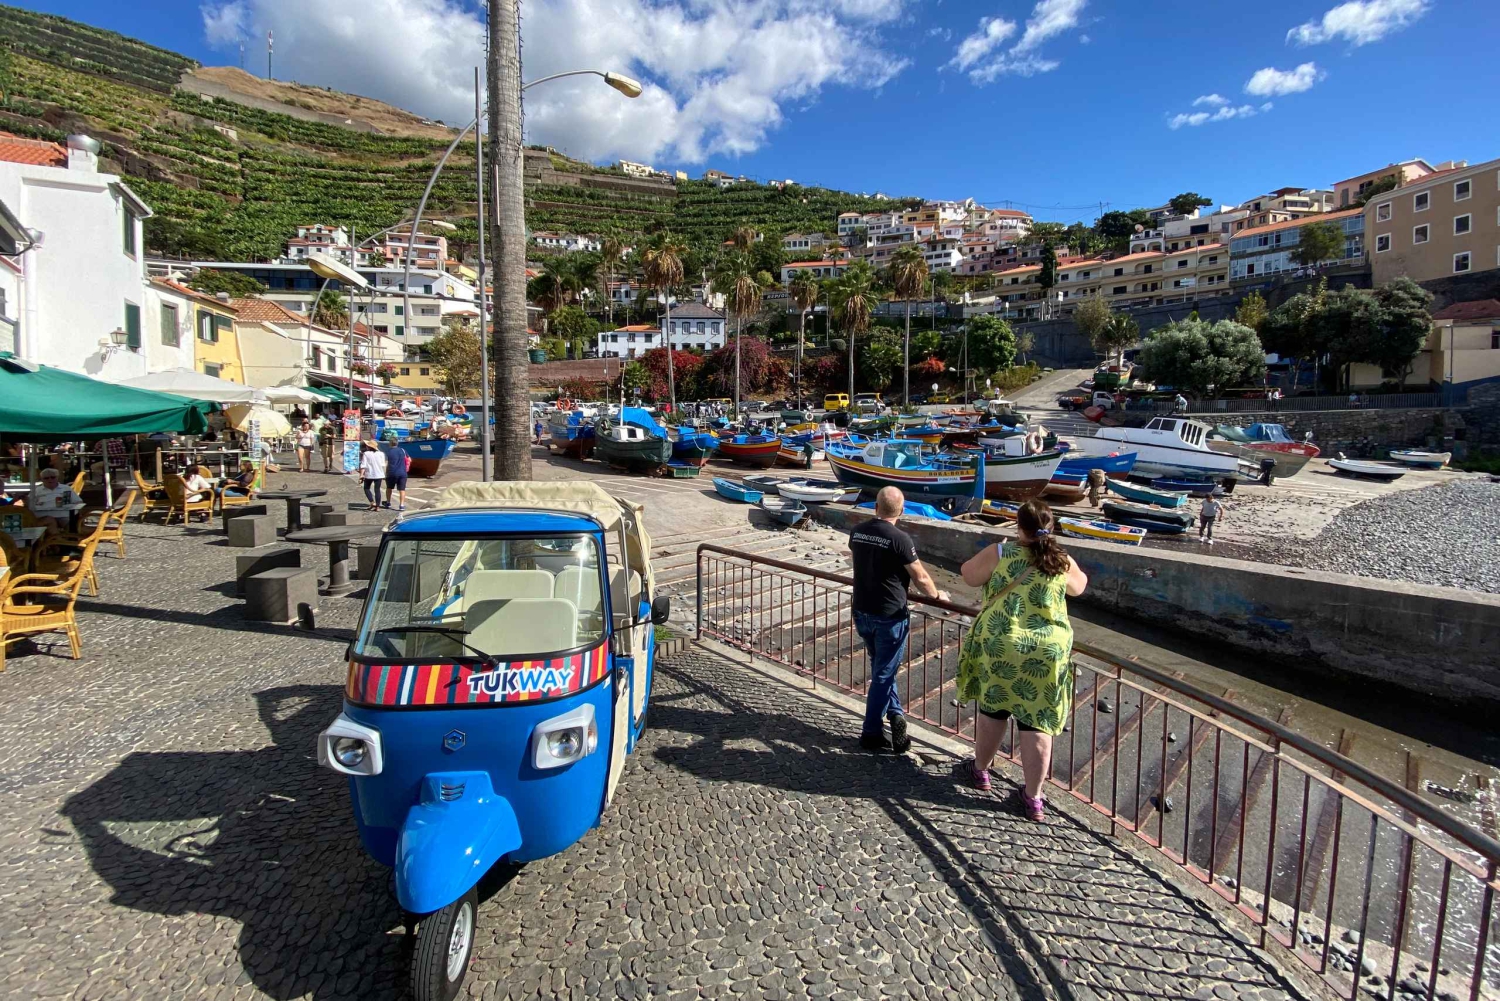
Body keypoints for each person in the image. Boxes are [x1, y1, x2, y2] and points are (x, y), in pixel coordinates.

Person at [956, 499, 1088, 822]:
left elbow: (968, 575)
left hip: (1002, 645)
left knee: (993, 709)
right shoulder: (1060, 561)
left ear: (1019, 527)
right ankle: (1033, 799)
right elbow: (1080, 587)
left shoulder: (1001, 554)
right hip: (1046, 652)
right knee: (1037, 722)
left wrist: (997, 550)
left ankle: (981, 772)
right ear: (1051, 527)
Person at [849, 486, 949, 755]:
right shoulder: (900, 538)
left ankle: (895, 715)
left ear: (875, 507)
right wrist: (938, 596)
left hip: (861, 610)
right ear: (902, 511)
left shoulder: (857, 532)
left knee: (882, 665)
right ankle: (870, 732)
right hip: (889, 615)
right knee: (884, 673)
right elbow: (921, 577)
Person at [380, 432, 409, 511]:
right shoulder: (403, 450)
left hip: (392, 472)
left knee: (389, 488)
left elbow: (386, 463)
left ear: (390, 443)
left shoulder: (389, 452)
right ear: (397, 443)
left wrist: (385, 473)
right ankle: (401, 505)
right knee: (402, 490)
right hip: (402, 473)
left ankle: (388, 502)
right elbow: (409, 459)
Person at [358, 439, 387, 511]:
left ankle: (372, 502)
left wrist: (361, 475)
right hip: (379, 474)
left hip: (369, 474)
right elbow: (383, 465)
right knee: (377, 490)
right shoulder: (381, 454)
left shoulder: (366, 454)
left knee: (366, 488)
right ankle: (377, 507)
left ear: (368, 447)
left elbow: (363, 465)